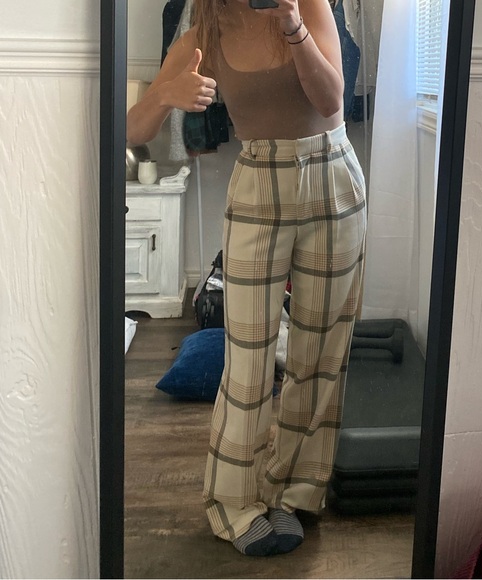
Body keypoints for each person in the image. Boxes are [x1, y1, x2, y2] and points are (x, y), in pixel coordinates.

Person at [127, 0, 367, 558]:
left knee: (321, 350)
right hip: (259, 181)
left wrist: (293, 26)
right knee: (248, 355)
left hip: (332, 176)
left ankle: (297, 489)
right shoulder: (204, 31)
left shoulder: (308, 5)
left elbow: (332, 101)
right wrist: (166, 95)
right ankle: (233, 503)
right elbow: (133, 128)